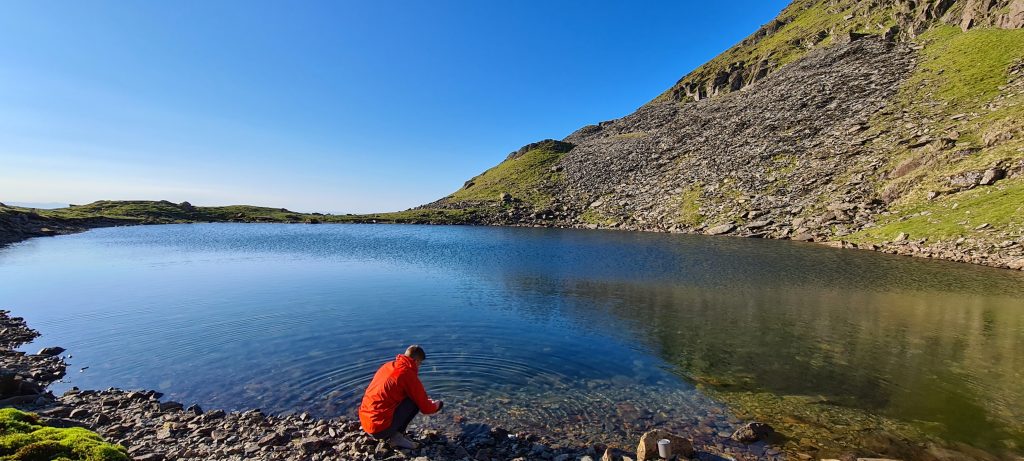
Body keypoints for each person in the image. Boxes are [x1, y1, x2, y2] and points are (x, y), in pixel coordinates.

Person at [359, 345, 443, 449]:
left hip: (365, 422)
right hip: (379, 429)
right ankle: (396, 438)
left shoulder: (387, 366)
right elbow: (426, 408)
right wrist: (437, 405)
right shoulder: (407, 374)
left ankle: (390, 432)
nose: (419, 366)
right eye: (420, 363)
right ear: (416, 361)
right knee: (414, 401)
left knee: (407, 396)